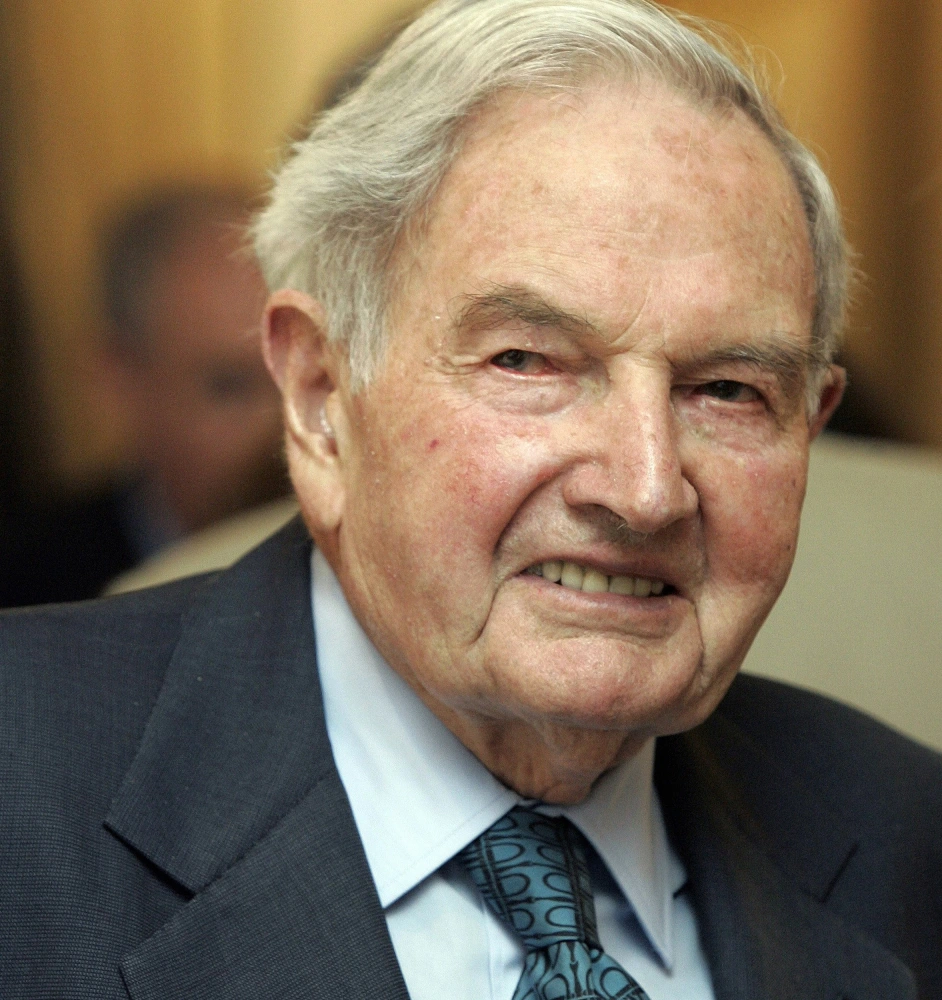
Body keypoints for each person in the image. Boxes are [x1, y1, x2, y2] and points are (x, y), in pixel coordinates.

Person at [1, 2, 939, 998]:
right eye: (529, 360)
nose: (647, 487)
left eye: (728, 391)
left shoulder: (907, 841)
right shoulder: (24, 784)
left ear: (811, 422)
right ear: (322, 395)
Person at [0, 184, 288, 607]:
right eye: (230, 387)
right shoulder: (34, 605)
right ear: (121, 379)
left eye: (314, 378)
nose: (286, 421)